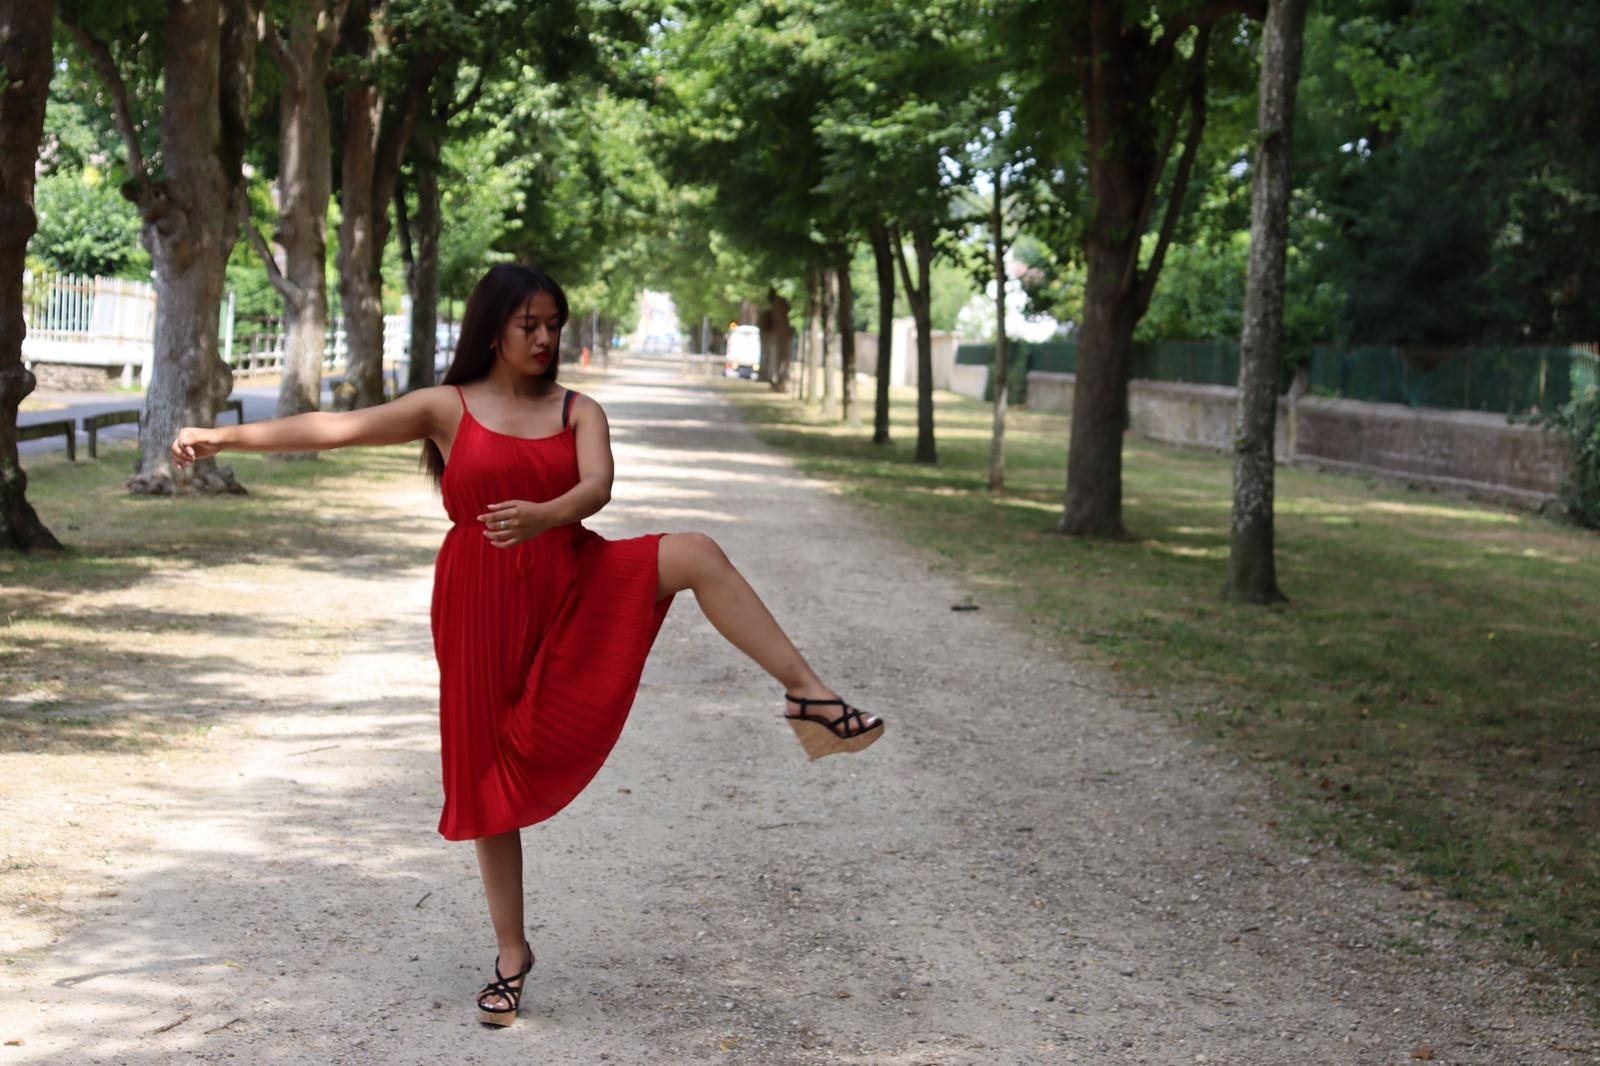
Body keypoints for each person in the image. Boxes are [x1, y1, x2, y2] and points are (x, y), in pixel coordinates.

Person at [170, 263, 884, 1027]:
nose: (544, 338)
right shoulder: (447, 407)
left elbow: (597, 488)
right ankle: (512, 955)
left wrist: (547, 516)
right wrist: (226, 436)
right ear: (494, 330)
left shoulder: (578, 410)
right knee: (486, 775)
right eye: (528, 325)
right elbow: (337, 427)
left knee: (697, 553)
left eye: (553, 325)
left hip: (572, 577)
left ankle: (809, 694)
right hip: (478, 600)